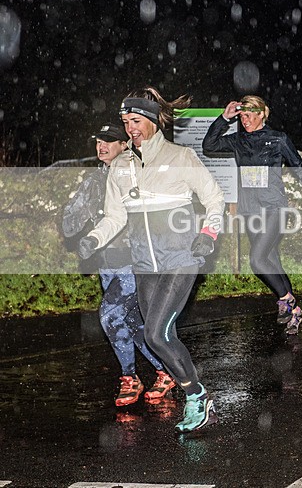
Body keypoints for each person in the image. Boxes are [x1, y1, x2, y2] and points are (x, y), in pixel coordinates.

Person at [78, 87, 225, 433]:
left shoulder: (180, 157)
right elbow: (114, 217)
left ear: (154, 120)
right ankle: (193, 392)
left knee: (157, 334)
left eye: (137, 120)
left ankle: (198, 396)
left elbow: (214, 198)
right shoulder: (121, 166)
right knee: (155, 333)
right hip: (145, 265)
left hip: (181, 258)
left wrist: (208, 234)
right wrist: (93, 239)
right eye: (126, 121)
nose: (131, 128)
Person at [62, 123, 175, 407]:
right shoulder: (94, 178)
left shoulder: (135, 172)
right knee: (131, 321)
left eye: (109, 142)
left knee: (108, 315)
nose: (102, 147)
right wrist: (74, 222)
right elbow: (72, 216)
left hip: (133, 262)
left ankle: (130, 378)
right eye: (99, 142)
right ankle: (165, 371)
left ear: (124, 145)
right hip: (106, 263)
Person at [203, 95, 302, 332]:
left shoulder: (277, 139)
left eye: (249, 115)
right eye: (242, 115)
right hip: (250, 211)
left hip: (275, 208)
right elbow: (209, 146)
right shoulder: (238, 140)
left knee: (257, 261)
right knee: (271, 259)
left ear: (261, 114)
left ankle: (287, 302)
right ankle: (293, 310)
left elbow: (299, 165)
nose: (244, 120)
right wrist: (224, 118)